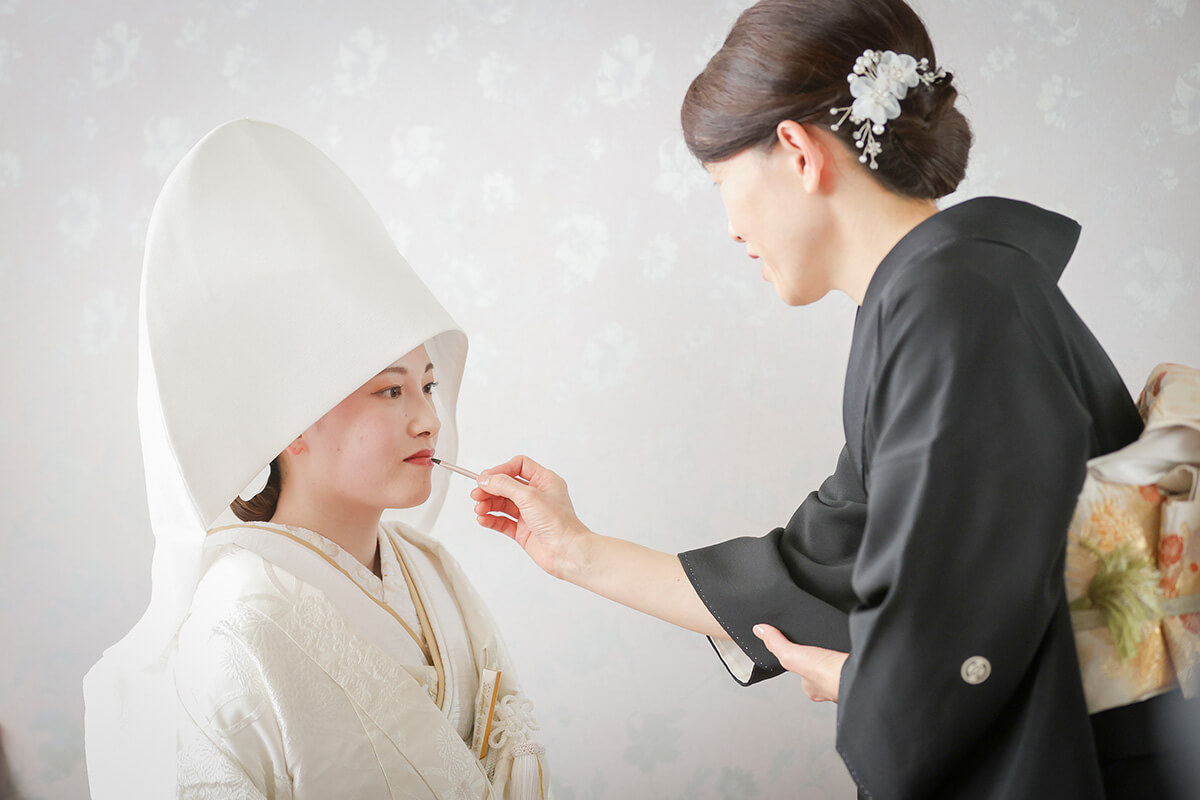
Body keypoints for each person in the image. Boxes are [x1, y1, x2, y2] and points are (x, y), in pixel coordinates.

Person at [469, 0, 1192, 797]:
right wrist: (575, 549)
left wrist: (867, 689)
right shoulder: (936, 297)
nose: (731, 225)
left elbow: (962, 643)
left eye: (720, 181)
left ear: (796, 151)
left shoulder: (954, 309)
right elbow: (818, 571)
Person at [83, 120, 547, 800]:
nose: (426, 417)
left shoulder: (433, 570)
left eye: (428, 384)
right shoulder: (233, 619)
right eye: (390, 390)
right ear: (290, 423)